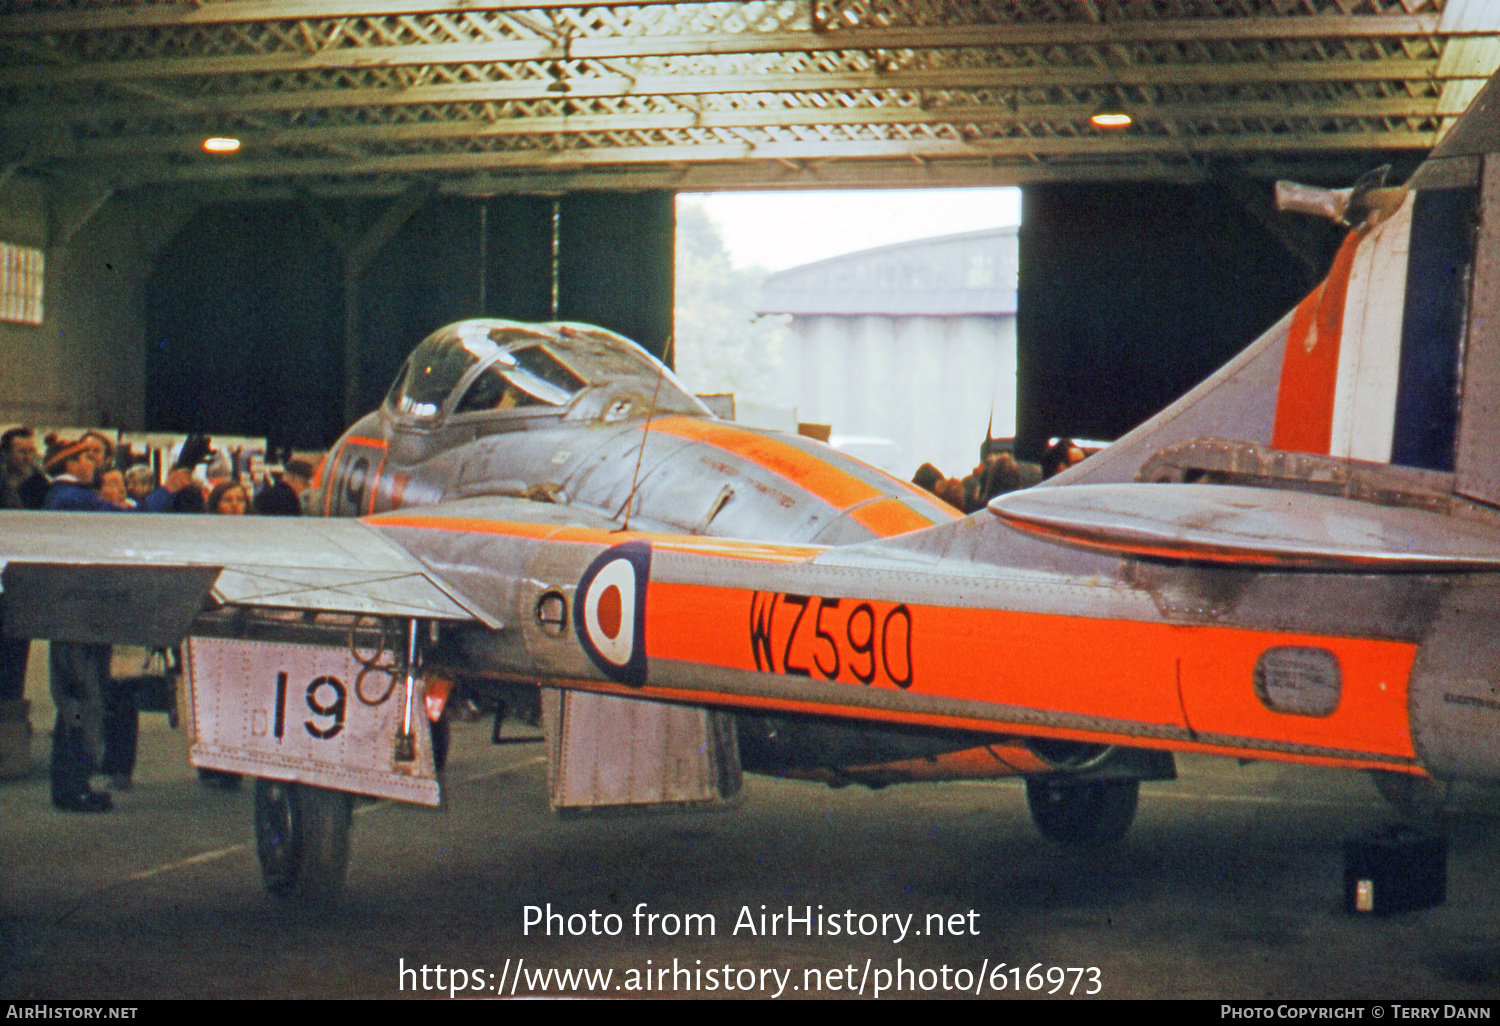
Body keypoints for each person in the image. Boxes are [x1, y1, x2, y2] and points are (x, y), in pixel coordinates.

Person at [41, 436, 128, 810]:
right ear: (71, 464)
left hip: (69, 613)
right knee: (81, 700)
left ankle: (70, 784)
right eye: (87, 457)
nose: (95, 462)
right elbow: (133, 523)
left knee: (74, 700)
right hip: (79, 615)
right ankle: (74, 786)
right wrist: (170, 487)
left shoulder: (59, 497)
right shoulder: (71, 497)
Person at [1, 426, 48, 510]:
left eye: (31, 451)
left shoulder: (39, 484)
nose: (28, 457)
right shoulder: (2, 482)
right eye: (21, 452)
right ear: (6, 453)